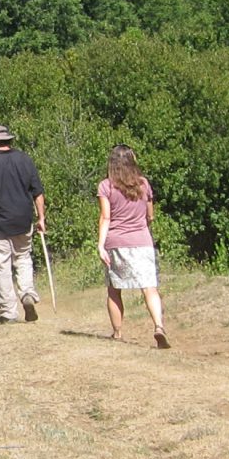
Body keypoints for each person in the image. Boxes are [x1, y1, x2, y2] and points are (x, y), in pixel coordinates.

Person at [0, 123, 46, 323]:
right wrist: (41, 218)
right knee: (23, 258)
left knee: (1, 266)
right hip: (23, 220)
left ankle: (8, 313)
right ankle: (27, 293)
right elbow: (37, 192)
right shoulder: (24, 159)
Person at [96, 144, 168, 348]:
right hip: (142, 241)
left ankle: (118, 333)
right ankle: (159, 326)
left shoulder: (106, 186)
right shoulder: (143, 184)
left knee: (114, 289)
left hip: (116, 242)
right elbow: (150, 215)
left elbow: (105, 217)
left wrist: (100, 245)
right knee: (149, 287)